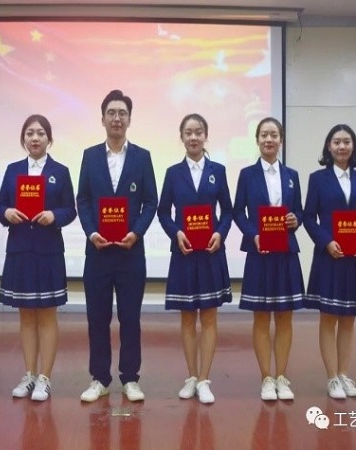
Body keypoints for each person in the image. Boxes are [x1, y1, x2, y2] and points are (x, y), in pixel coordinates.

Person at [76, 89, 158, 402]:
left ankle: (130, 378)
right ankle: (99, 378)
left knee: (130, 318)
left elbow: (151, 201)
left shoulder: (142, 157)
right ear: (102, 119)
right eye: (111, 112)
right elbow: (83, 199)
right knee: (97, 318)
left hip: (130, 253)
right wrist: (90, 232)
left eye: (122, 113)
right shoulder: (90, 156)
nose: (117, 118)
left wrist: (136, 232)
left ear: (129, 119)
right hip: (97, 252)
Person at [0, 114, 76, 401]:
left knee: (47, 315)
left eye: (41, 133)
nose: (35, 138)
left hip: (48, 250)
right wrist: (6, 212)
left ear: (49, 139)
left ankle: (45, 378)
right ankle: (29, 374)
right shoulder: (13, 170)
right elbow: (0, 206)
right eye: (30, 133)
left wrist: (54, 215)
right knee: (26, 315)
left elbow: (71, 209)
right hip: (20, 249)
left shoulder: (60, 172)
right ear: (23, 139)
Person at [157, 113, 233, 404]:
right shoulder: (173, 173)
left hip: (211, 252)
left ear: (206, 136)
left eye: (198, 132)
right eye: (188, 132)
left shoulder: (218, 171)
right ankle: (191, 376)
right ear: (181, 137)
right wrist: (176, 232)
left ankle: (204, 379)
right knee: (188, 317)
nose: (193, 137)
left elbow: (227, 211)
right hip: (185, 252)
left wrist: (220, 233)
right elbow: (163, 212)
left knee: (209, 316)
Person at [233, 117, 305, 401]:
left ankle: (282, 377)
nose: (269, 139)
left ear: (281, 140)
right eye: (264, 135)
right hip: (259, 252)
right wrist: (253, 234)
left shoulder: (292, 175)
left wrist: (295, 219)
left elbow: (299, 211)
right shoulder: (247, 175)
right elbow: (238, 212)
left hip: (285, 252)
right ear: (257, 140)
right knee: (261, 317)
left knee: (285, 317)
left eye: (274, 135)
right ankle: (266, 377)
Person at [303, 124, 356, 399]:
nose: (342, 146)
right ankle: (332, 378)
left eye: (347, 142)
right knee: (329, 317)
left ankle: (344, 374)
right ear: (329, 147)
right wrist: (325, 241)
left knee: (348, 318)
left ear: (353, 146)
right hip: (329, 256)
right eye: (336, 142)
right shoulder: (318, 179)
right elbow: (308, 217)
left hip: (355, 258)